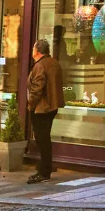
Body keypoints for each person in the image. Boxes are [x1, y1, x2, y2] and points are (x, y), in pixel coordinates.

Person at [27, 38, 64, 184]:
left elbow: (37, 88)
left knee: (42, 140)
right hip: (51, 106)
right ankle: (45, 169)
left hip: (42, 108)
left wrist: (31, 104)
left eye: (33, 48)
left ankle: (44, 172)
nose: (32, 51)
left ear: (36, 51)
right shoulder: (54, 63)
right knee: (45, 139)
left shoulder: (40, 65)